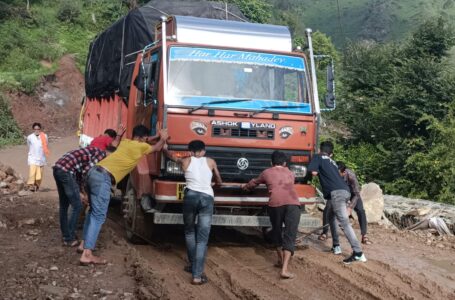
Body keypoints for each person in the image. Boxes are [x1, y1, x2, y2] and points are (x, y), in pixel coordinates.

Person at [79, 125, 168, 265]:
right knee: (99, 215)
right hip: (104, 178)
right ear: (141, 139)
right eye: (145, 139)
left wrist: (154, 137)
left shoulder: (126, 141)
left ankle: (83, 244)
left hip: (93, 172)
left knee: (92, 211)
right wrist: (162, 139)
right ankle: (87, 254)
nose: (146, 141)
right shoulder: (141, 147)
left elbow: (145, 140)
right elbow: (156, 148)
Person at [164, 140, 222, 285]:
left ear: (190, 151)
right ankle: (197, 275)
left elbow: (171, 156)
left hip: (190, 197)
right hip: (207, 198)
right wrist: (214, 184)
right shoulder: (211, 161)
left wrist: (164, 149)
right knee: (202, 239)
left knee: (189, 232)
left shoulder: (185, 161)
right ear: (203, 151)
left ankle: (192, 265)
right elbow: (219, 181)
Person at [242, 150, 301, 279]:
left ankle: (281, 262)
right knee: (290, 236)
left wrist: (246, 187)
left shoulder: (266, 172)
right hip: (293, 204)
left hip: (276, 204)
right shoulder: (290, 173)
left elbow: (254, 183)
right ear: (285, 163)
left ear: (271, 162)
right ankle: (284, 268)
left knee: (277, 232)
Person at [307, 141, 367, 264]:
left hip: (337, 194)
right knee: (331, 216)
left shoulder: (318, 157)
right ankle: (336, 246)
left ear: (319, 150)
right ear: (331, 153)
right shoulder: (332, 162)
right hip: (344, 191)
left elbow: (313, 172)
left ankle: (358, 253)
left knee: (344, 222)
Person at [53, 146, 114, 247]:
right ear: (109, 153)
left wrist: (81, 191)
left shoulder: (94, 151)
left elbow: (79, 173)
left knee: (64, 205)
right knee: (77, 206)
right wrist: (83, 193)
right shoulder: (101, 155)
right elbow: (86, 172)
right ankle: (69, 238)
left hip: (58, 168)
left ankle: (66, 236)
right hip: (66, 171)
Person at [337, 161, 372, 245]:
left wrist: (350, 208)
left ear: (344, 172)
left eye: (338, 174)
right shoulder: (333, 173)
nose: (336, 175)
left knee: (360, 210)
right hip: (340, 192)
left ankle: (364, 235)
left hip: (353, 193)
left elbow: (356, 193)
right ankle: (324, 232)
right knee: (328, 207)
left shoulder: (351, 176)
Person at [26, 122, 49, 191]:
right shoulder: (30, 137)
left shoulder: (44, 136)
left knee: (39, 175)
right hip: (32, 157)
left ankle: (37, 185)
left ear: (40, 129)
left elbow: (46, 145)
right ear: (33, 129)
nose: (37, 130)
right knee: (32, 172)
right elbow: (29, 146)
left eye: (38, 129)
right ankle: (31, 185)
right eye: (35, 129)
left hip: (41, 158)